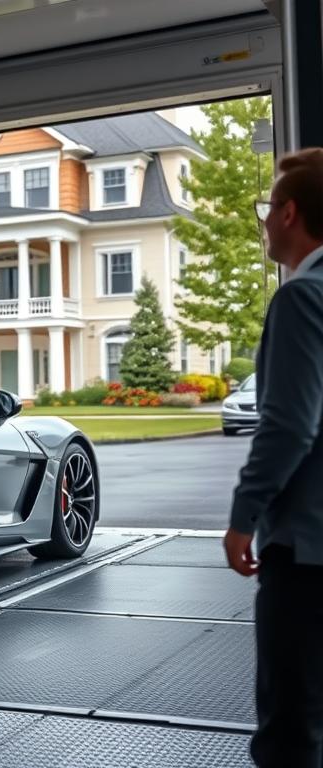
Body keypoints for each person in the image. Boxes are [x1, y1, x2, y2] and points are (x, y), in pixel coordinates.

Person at [225, 147, 323, 767]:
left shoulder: (300, 299)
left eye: (267, 208)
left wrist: (244, 516)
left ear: (289, 213)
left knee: (292, 727)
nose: (262, 222)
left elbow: (289, 426)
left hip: (308, 551)